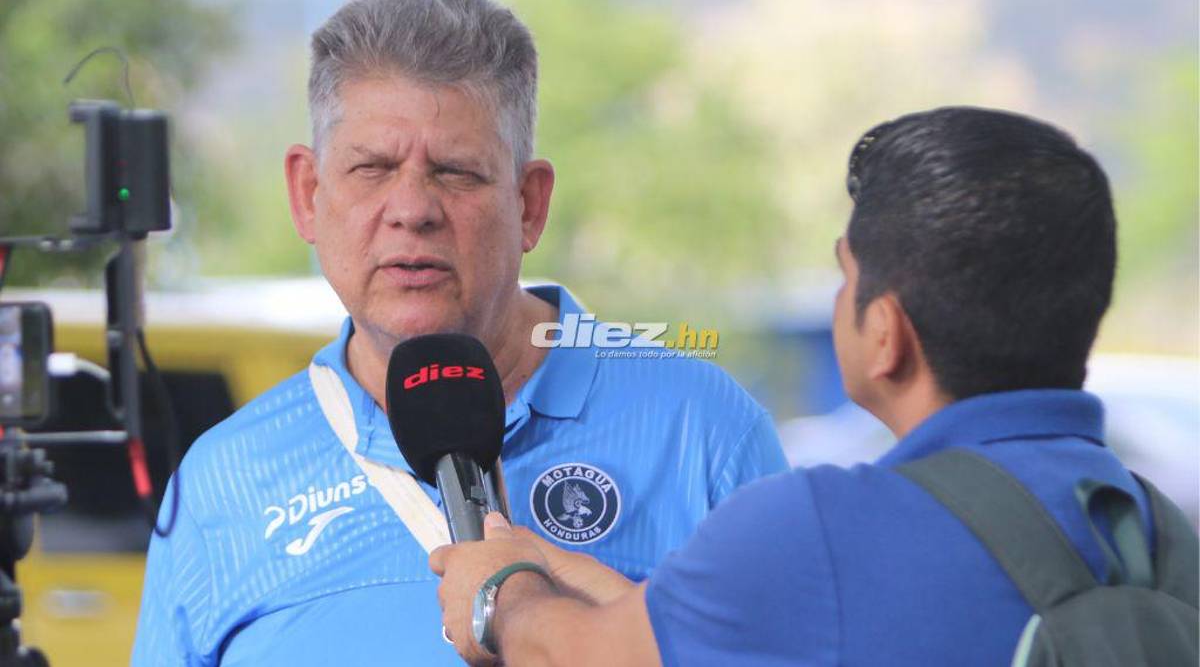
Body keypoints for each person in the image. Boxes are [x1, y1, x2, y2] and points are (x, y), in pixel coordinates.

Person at [130, 0, 786, 665]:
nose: (412, 208)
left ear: (529, 205)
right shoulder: (223, 479)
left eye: (455, 172)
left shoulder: (702, 432)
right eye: (373, 168)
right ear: (308, 193)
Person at [432, 106, 1191, 666]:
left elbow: (589, 655)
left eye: (845, 274)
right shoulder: (1158, 536)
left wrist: (507, 598)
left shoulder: (818, 527)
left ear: (887, 334)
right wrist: (562, 567)